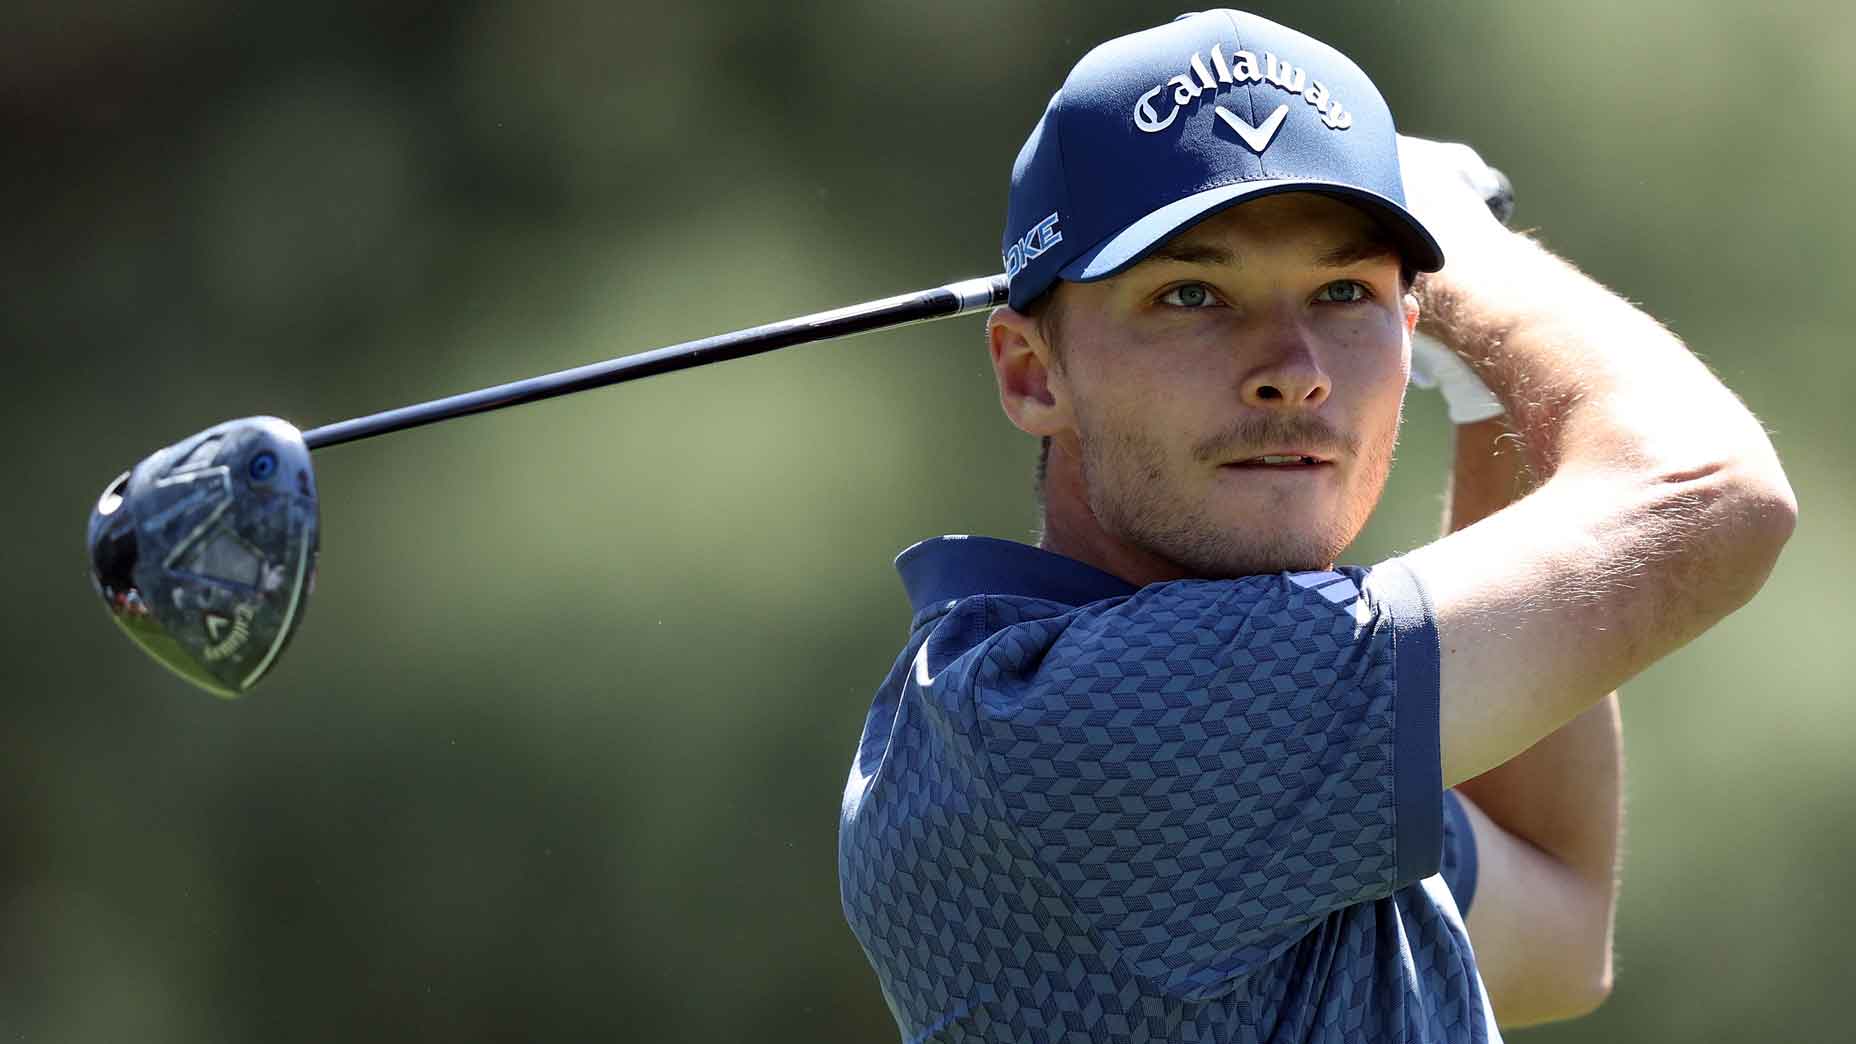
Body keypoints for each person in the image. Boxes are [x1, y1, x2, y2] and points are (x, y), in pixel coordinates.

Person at [837, 9, 1796, 1043]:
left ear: (1405, 334)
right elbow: (1708, 498)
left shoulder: (1278, 759)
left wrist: (1483, 395)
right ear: (1033, 373)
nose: (1293, 371)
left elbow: (1558, 928)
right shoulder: (1081, 720)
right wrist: (1480, 259)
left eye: (1342, 291)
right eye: (1191, 294)